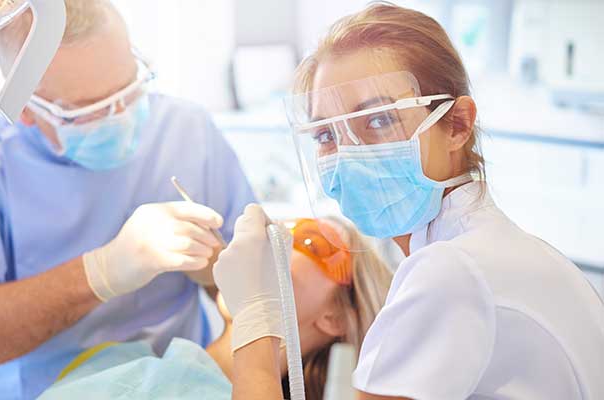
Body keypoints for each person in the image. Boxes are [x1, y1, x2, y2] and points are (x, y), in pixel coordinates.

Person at [213, 4, 604, 400]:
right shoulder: (485, 249)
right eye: (325, 135)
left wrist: (256, 322)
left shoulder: (451, 271)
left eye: (380, 120)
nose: (349, 153)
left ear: (457, 125)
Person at [0, 1, 255, 399]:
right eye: (91, 110)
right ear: (26, 111)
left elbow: (258, 287)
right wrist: (101, 271)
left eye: (129, 88)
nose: (121, 115)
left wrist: (219, 271)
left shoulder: (186, 131)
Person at [36, 218, 392, 400]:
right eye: (275, 227)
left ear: (335, 319)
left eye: (312, 240)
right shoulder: (118, 361)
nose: (279, 234)